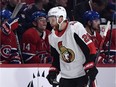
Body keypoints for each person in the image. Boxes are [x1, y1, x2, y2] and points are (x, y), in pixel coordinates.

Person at [46, 6, 98, 87]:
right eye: (49, 20)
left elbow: (90, 48)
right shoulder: (51, 36)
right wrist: (53, 73)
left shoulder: (75, 28)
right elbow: (56, 58)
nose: (50, 23)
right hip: (66, 78)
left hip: (82, 75)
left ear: (60, 18)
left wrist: (91, 67)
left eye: (52, 20)